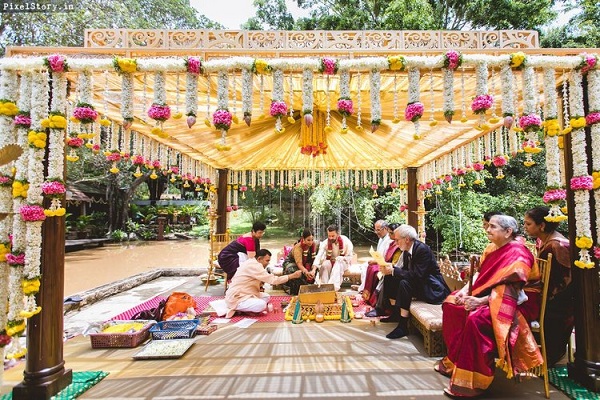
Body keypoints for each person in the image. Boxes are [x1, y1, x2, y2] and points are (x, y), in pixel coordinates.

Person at [436, 215, 543, 398]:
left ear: (508, 232)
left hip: (517, 302)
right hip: (494, 296)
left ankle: (474, 381)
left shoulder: (518, 252)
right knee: (452, 303)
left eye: (493, 227)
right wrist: (464, 291)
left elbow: (512, 290)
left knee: (476, 319)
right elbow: (481, 276)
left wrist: (479, 301)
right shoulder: (494, 248)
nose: (487, 230)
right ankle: (456, 360)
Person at [376, 224, 450, 339]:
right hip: (420, 283)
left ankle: (403, 325)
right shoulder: (406, 250)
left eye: (397, 240)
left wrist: (394, 271)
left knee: (404, 283)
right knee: (390, 277)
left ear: (406, 239)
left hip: (433, 289)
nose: (395, 243)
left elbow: (417, 275)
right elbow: (406, 271)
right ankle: (396, 313)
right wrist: (390, 269)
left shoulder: (422, 250)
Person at [524, 206, 574, 367]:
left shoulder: (557, 246)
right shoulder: (545, 241)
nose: (525, 227)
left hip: (560, 304)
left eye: (528, 223)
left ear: (542, 226)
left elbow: (564, 281)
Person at [215, 249, 302, 318]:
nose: (268, 263)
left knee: (266, 296)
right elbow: (273, 280)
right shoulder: (254, 266)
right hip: (237, 297)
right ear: (259, 259)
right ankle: (238, 308)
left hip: (246, 293)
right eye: (267, 260)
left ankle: (246, 309)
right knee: (261, 305)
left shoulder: (253, 262)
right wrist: (292, 276)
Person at [362, 222, 401, 307]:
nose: (389, 234)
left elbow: (397, 263)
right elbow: (385, 255)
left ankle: (378, 304)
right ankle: (368, 295)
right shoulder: (391, 243)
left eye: (391, 233)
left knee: (376, 271)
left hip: (394, 269)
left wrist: (383, 264)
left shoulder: (398, 245)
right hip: (387, 265)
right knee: (370, 267)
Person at [350, 220, 393, 293]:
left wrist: (375, 261)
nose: (376, 232)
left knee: (367, 267)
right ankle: (363, 287)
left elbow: (386, 256)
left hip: (385, 263)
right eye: (375, 230)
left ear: (385, 228)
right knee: (364, 265)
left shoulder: (389, 240)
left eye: (378, 230)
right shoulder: (381, 239)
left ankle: (364, 289)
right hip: (379, 260)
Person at [312, 224, 354, 291]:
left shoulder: (346, 241)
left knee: (338, 263)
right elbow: (319, 256)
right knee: (325, 264)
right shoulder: (325, 242)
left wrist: (343, 258)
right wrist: (314, 269)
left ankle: (333, 288)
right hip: (331, 262)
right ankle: (324, 286)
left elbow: (350, 257)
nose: (331, 238)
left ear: (338, 234)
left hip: (343, 263)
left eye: (333, 236)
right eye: (329, 236)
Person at [282, 228, 319, 295]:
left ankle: (311, 287)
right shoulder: (298, 247)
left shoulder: (315, 245)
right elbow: (299, 264)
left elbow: (317, 260)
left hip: (308, 263)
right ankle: (297, 291)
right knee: (295, 271)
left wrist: (313, 270)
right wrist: (306, 272)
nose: (311, 242)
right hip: (293, 263)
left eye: (312, 240)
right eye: (308, 240)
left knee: (317, 268)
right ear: (303, 239)